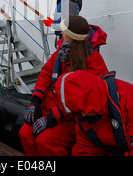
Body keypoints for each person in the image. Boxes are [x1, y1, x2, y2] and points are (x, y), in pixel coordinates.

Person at [19, 16, 109, 155]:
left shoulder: (94, 61)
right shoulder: (61, 52)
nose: (61, 33)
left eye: (64, 31)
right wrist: (35, 101)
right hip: (50, 109)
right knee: (25, 133)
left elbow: (84, 100)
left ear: (71, 36)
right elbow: (46, 74)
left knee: (45, 142)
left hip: (71, 118)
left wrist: (51, 118)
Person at [56, 70, 133, 156]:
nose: (82, 115)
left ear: (90, 98)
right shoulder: (84, 116)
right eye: (78, 111)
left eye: (82, 110)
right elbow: (86, 149)